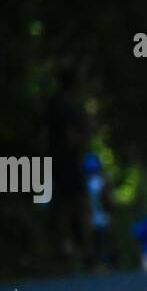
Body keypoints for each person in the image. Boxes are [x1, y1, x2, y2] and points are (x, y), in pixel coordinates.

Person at [46, 65, 92, 264]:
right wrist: (88, 132)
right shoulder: (66, 108)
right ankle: (84, 253)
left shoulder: (55, 104)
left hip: (56, 162)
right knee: (79, 205)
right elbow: (71, 139)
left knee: (64, 206)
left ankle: (67, 250)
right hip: (68, 162)